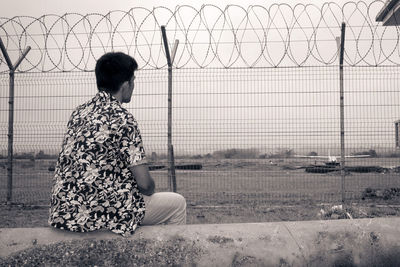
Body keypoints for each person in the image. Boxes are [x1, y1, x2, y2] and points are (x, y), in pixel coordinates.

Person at [49, 52, 186, 236]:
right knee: (177, 204)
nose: (134, 86)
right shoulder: (123, 119)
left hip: (65, 210)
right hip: (102, 211)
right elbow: (145, 184)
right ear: (126, 84)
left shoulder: (78, 113)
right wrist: (149, 189)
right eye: (133, 80)